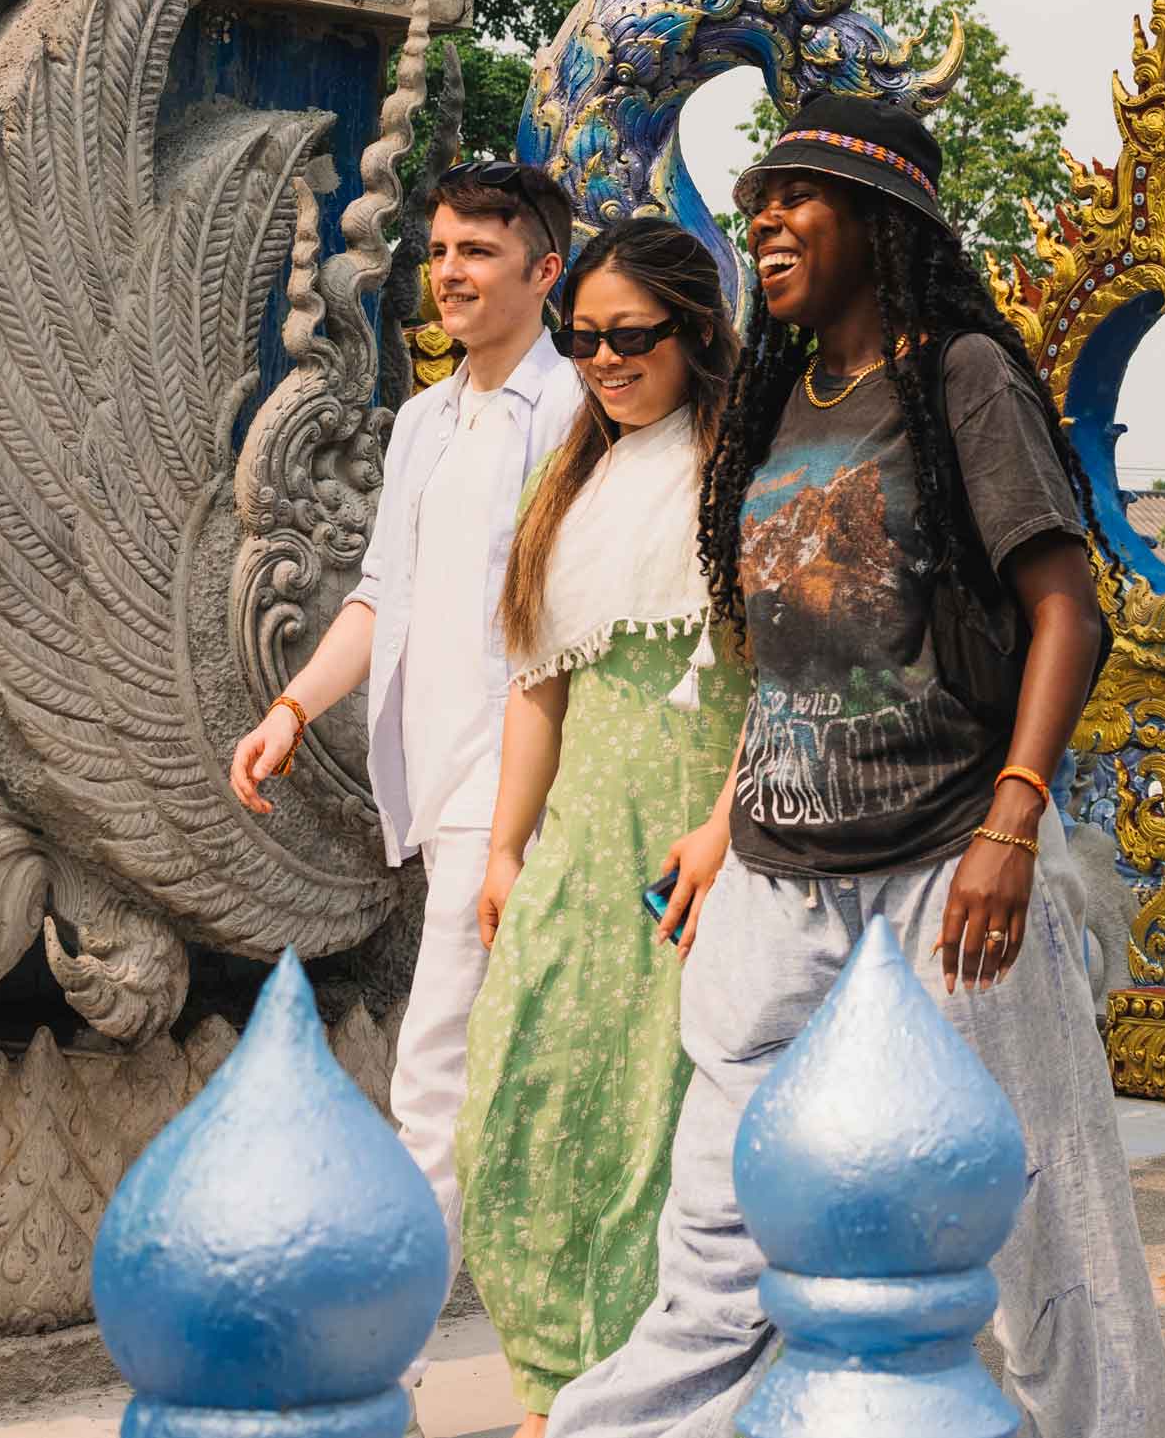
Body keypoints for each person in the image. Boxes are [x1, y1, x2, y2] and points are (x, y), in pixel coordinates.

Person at [546, 94, 1165, 1438]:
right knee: (720, 1244)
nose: (763, 219)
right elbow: (787, 656)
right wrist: (725, 826)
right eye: (757, 196)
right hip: (777, 878)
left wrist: (1011, 827)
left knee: (1039, 1222)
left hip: (945, 861)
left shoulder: (960, 377)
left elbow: (1068, 610)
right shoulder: (779, 398)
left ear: (880, 215)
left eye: (796, 196)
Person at [231, 157, 579, 1270]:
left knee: (434, 1069)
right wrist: (291, 705)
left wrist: (519, 828)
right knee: (500, 1067)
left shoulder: (576, 410)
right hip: (440, 788)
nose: (451, 273)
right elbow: (384, 589)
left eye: (478, 250)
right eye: (439, 251)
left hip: (520, 785)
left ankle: (401, 1359)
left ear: (545, 269)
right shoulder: (426, 418)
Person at [459, 221, 754, 1436]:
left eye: (631, 338)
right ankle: (549, 1383)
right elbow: (540, 683)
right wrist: (503, 846)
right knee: (519, 1099)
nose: (602, 362)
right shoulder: (566, 481)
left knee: (660, 1126)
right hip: (578, 842)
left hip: (703, 852)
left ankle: (643, 1396)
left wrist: (729, 829)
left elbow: (792, 678)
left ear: (697, 331)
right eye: (583, 340)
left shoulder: (746, 471)